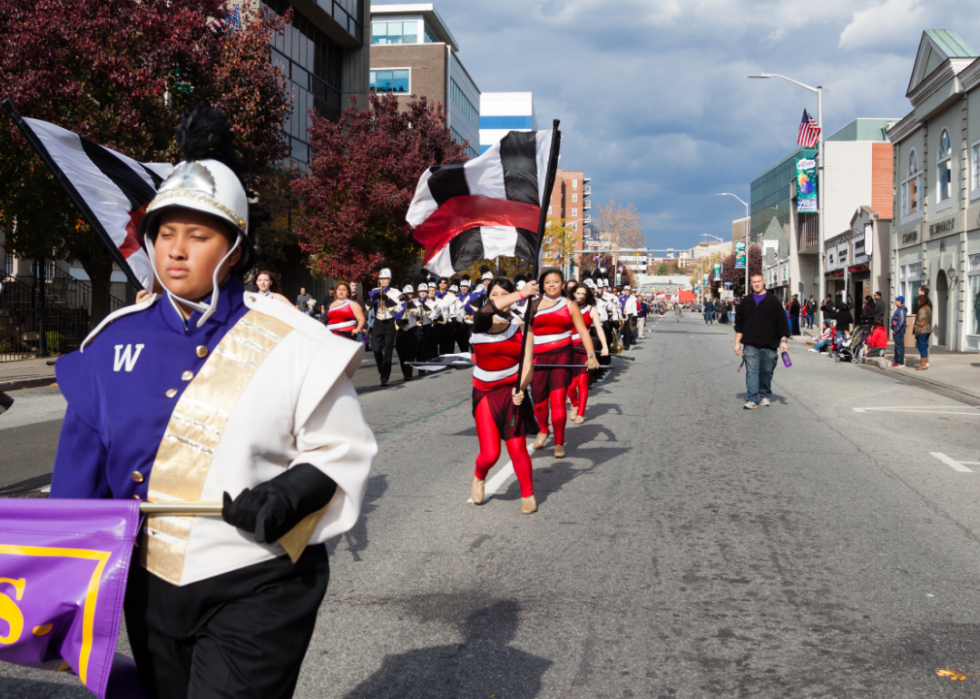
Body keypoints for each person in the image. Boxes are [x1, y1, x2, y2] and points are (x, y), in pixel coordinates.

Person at [49, 108, 376, 699]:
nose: (177, 251)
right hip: (150, 584)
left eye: (198, 237)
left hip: (259, 577)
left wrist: (289, 493)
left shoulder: (292, 338)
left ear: (236, 250)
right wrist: (57, 581)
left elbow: (343, 450)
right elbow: (79, 476)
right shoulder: (112, 341)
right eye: (165, 235)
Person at [469, 278, 539, 514]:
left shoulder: (522, 326)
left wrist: (521, 388)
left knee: (516, 447)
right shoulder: (480, 322)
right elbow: (485, 312)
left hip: (510, 394)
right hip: (484, 394)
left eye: (502, 294)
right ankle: (479, 475)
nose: (497, 299)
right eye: (493, 295)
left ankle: (527, 494)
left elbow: (528, 364)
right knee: (490, 453)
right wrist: (521, 293)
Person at [531, 268, 600, 457]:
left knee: (558, 399)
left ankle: (559, 442)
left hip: (562, 354)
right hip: (538, 357)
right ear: (542, 285)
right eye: (547, 281)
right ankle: (544, 430)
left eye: (555, 281)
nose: (551, 285)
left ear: (562, 285)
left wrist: (591, 354)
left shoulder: (570, 305)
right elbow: (524, 333)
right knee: (538, 403)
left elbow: (584, 331)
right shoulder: (533, 305)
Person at [734, 273, 790, 410]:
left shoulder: (773, 301)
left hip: (770, 344)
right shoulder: (746, 302)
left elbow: (781, 323)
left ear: (764, 282)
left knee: (766, 370)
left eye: (759, 281)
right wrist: (737, 343)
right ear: (751, 284)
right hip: (751, 344)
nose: (757, 284)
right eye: (754, 282)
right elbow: (739, 325)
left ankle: (764, 394)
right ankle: (752, 399)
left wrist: (783, 340)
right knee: (752, 371)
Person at [567, 282, 608, 424]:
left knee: (582, 383)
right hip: (567, 348)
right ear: (573, 293)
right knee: (570, 386)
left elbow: (599, 329)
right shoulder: (567, 306)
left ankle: (581, 412)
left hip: (584, 348)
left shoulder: (591, 309)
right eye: (578, 293)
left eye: (583, 294)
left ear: (587, 296)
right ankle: (575, 404)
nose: (580, 296)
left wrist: (605, 347)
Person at [368, 265, 402, 386]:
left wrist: (387, 298)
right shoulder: (374, 291)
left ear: (390, 280)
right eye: (381, 278)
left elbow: (398, 308)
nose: (383, 281)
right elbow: (368, 307)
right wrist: (372, 299)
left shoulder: (395, 292)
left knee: (388, 350)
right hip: (377, 321)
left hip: (389, 321)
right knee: (376, 349)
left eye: (385, 278)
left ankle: (385, 377)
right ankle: (382, 368)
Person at [393, 281, 420, 382]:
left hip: (411, 329)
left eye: (410, 294)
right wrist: (399, 321)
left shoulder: (415, 303)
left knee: (410, 353)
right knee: (401, 353)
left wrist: (409, 302)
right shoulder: (398, 303)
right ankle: (405, 371)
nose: (409, 295)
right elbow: (395, 313)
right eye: (407, 294)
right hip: (401, 331)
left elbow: (417, 312)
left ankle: (408, 374)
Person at [913, 287, 932, 371]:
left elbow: (921, 321)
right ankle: (923, 362)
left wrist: (917, 331)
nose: (918, 301)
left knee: (922, 346)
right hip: (927, 329)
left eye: (919, 300)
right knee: (923, 345)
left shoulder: (923, 309)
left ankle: (924, 364)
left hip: (923, 330)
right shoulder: (928, 306)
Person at [890, 295, 907, 368]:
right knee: (897, 345)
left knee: (899, 346)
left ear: (900, 302)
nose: (895, 301)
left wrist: (896, 329)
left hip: (899, 330)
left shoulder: (901, 310)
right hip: (896, 329)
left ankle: (900, 362)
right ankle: (897, 361)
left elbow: (901, 321)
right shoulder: (898, 309)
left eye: (897, 300)